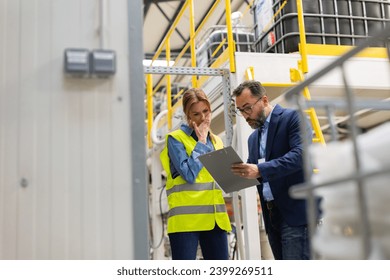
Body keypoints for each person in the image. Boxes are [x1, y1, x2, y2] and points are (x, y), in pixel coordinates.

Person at [231, 80, 317, 260]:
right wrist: (236, 173)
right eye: (241, 111)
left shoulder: (292, 118)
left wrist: (260, 170)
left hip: (295, 213)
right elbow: (254, 172)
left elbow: (300, 155)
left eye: (247, 108)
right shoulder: (253, 139)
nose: (246, 116)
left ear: (263, 100)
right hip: (272, 216)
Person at [160, 88, 232, 260]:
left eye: (206, 111)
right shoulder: (175, 139)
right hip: (186, 223)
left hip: (216, 219)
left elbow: (223, 179)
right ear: (188, 115)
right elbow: (189, 174)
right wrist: (200, 142)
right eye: (196, 114)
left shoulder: (216, 140)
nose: (203, 118)